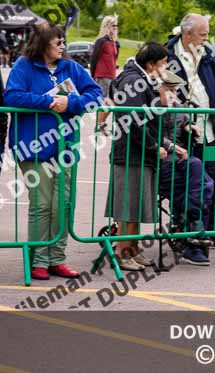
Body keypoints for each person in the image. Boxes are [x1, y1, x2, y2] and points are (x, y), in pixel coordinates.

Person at [5, 23, 102, 280]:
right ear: (42, 43)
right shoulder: (23, 66)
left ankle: (57, 258)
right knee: (42, 204)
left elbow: (96, 95)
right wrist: (49, 102)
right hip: (34, 148)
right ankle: (38, 260)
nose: (62, 46)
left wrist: (71, 102)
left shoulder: (71, 67)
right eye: (57, 42)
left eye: (63, 41)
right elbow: (12, 97)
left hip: (66, 147)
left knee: (64, 204)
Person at [165, 14, 215, 251]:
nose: (207, 39)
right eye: (203, 34)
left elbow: (210, 88)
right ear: (187, 34)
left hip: (208, 129)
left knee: (210, 179)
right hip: (183, 129)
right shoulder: (168, 56)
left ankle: (211, 229)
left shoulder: (206, 56)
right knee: (186, 182)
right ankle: (183, 232)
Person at [105, 42, 172, 271]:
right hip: (131, 154)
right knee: (128, 208)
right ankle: (123, 253)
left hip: (138, 153)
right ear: (151, 63)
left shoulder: (139, 78)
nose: (165, 68)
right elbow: (135, 121)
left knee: (134, 206)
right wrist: (154, 147)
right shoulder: (133, 80)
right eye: (163, 64)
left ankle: (132, 250)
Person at [156, 71, 215, 266]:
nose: (173, 94)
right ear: (157, 88)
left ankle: (192, 236)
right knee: (197, 182)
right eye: (168, 89)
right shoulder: (150, 107)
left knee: (206, 185)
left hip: (181, 162)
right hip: (161, 163)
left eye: (175, 89)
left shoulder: (177, 106)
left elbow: (183, 121)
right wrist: (172, 147)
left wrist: (190, 126)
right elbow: (150, 135)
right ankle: (194, 237)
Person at [91, 15, 120, 132]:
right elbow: (94, 59)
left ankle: (100, 123)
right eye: (112, 25)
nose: (115, 28)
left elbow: (114, 60)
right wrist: (92, 76)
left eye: (116, 25)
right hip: (102, 75)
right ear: (106, 26)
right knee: (107, 101)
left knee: (112, 101)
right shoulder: (101, 41)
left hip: (112, 75)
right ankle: (99, 124)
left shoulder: (116, 43)